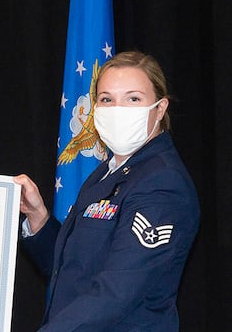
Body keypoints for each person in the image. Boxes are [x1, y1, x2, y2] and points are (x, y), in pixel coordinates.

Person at [16, 51, 199, 331]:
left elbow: (117, 292)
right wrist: (39, 217)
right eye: (106, 99)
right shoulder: (107, 171)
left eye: (133, 98)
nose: (118, 109)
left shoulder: (163, 183)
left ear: (160, 109)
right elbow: (73, 268)